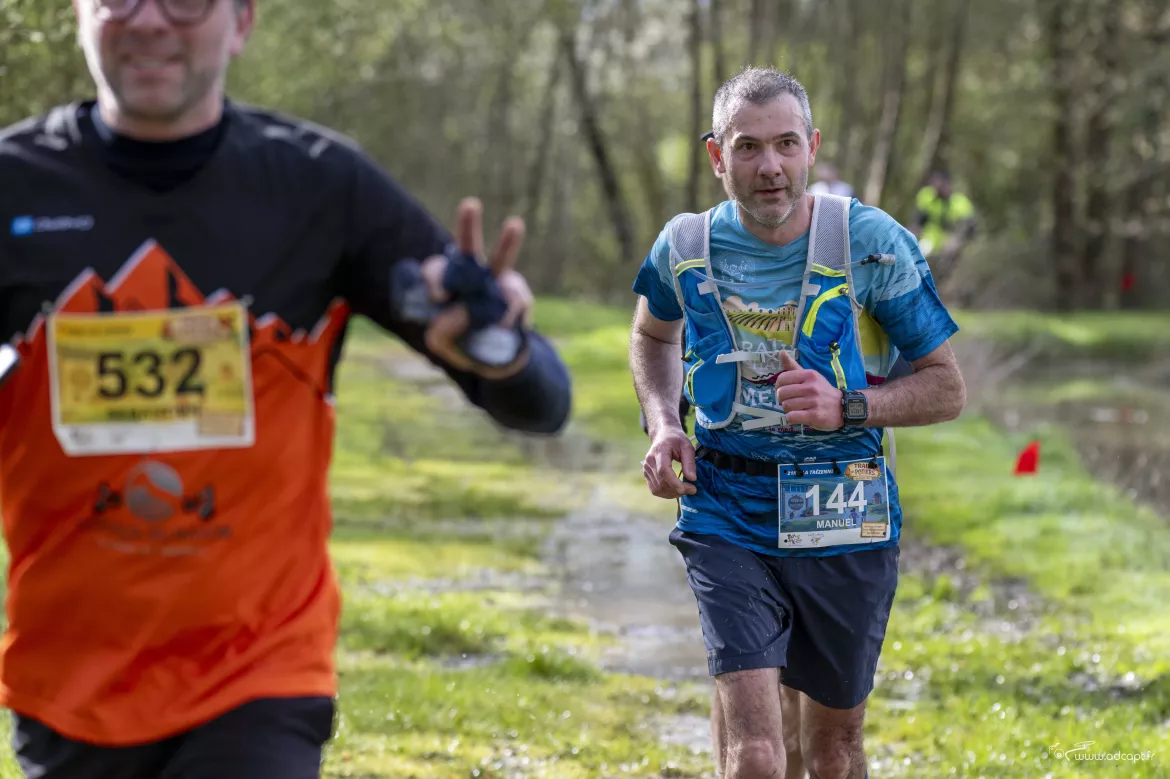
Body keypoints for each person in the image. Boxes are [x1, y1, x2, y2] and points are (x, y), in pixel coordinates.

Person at [0, 1, 571, 777]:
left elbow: (542, 402)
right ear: (80, 14)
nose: (150, 20)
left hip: (258, 671)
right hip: (66, 674)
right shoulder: (13, 185)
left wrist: (497, 349)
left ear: (241, 22)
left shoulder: (320, 185)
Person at [629, 66, 966, 779]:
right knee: (757, 754)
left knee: (832, 755)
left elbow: (946, 388)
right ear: (717, 156)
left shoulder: (873, 243)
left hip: (845, 507)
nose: (770, 166)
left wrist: (849, 404)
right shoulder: (684, 246)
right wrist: (663, 422)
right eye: (747, 147)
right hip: (725, 507)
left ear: (811, 147)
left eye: (786, 143)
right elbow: (653, 334)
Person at [911, 170, 976, 285]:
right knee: (919, 254)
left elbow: (969, 227)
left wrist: (957, 240)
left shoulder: (959, 203)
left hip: (948, 242)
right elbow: (919, 220)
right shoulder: (927, 196)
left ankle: (940, 282)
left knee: (946, 260)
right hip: (929, 238)